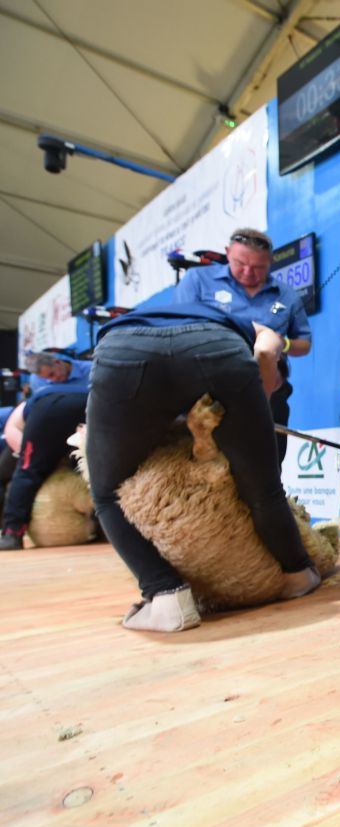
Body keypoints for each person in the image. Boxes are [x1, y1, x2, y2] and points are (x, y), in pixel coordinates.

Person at [84, 287, 321, 632]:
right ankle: (298, 573)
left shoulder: (142, 315)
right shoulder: (243, 322)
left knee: (107, 494)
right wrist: (256, 409)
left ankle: (164, 593)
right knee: (263, 488)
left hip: (124, 350)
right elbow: (267, 354)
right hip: (215, 347)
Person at [174, 228, 311, 467]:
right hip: (208, 394)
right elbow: (178, 331)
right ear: (228, 253)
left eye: (258, 267)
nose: (248, 272)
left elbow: (304, 344)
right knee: (203, 469)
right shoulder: (198, 281)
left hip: (270, 395)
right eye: (240, 263)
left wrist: (281, 342)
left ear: (270, 262)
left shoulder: (286, 295)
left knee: (265, 469)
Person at [0, 390, 87, 550]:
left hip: (50, 411)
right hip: (91, 404)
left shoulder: (12, 423)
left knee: (27, 471)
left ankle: (12, 532)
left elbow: (24, 456)